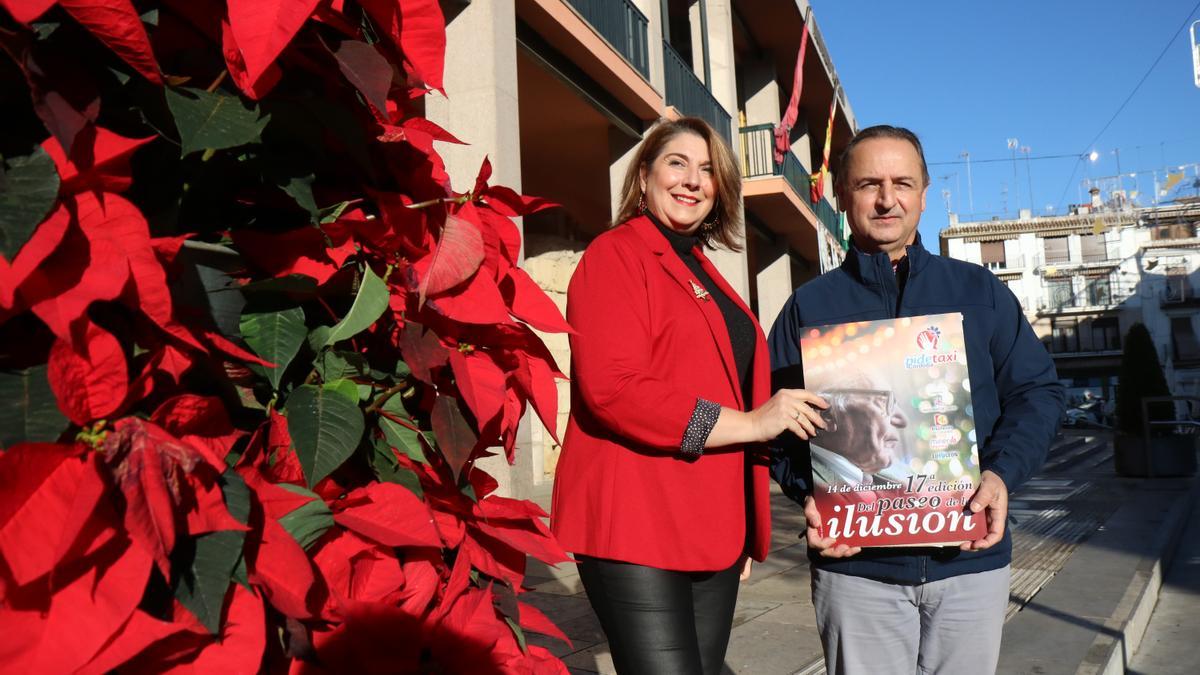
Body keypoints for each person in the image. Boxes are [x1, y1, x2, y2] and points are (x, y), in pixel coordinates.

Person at [768, 125, 1064, 675]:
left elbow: (1038, 394)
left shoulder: (981, 293)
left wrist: (1001, 477)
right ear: (843, 196)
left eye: (902, 183)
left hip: (969, 563)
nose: (887, 199)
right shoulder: (808, 308)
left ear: (924, 193)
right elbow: (778, 430)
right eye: (869, 184)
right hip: (854, 571)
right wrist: (810, 495)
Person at [550, 117, 829, 675]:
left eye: (708, 171)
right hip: (635, 519)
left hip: (709, 525)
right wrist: (753, 423)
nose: (692, 180)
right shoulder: (617, 255)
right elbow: (614, 390)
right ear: (645, 175)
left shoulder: (703, 268)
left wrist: (742, 520)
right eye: (677, 163)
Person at [809, 371, 912, 491]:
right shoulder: (800, 488)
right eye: (886, 402)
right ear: (828, 415)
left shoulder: (902, 477)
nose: (902, 420)